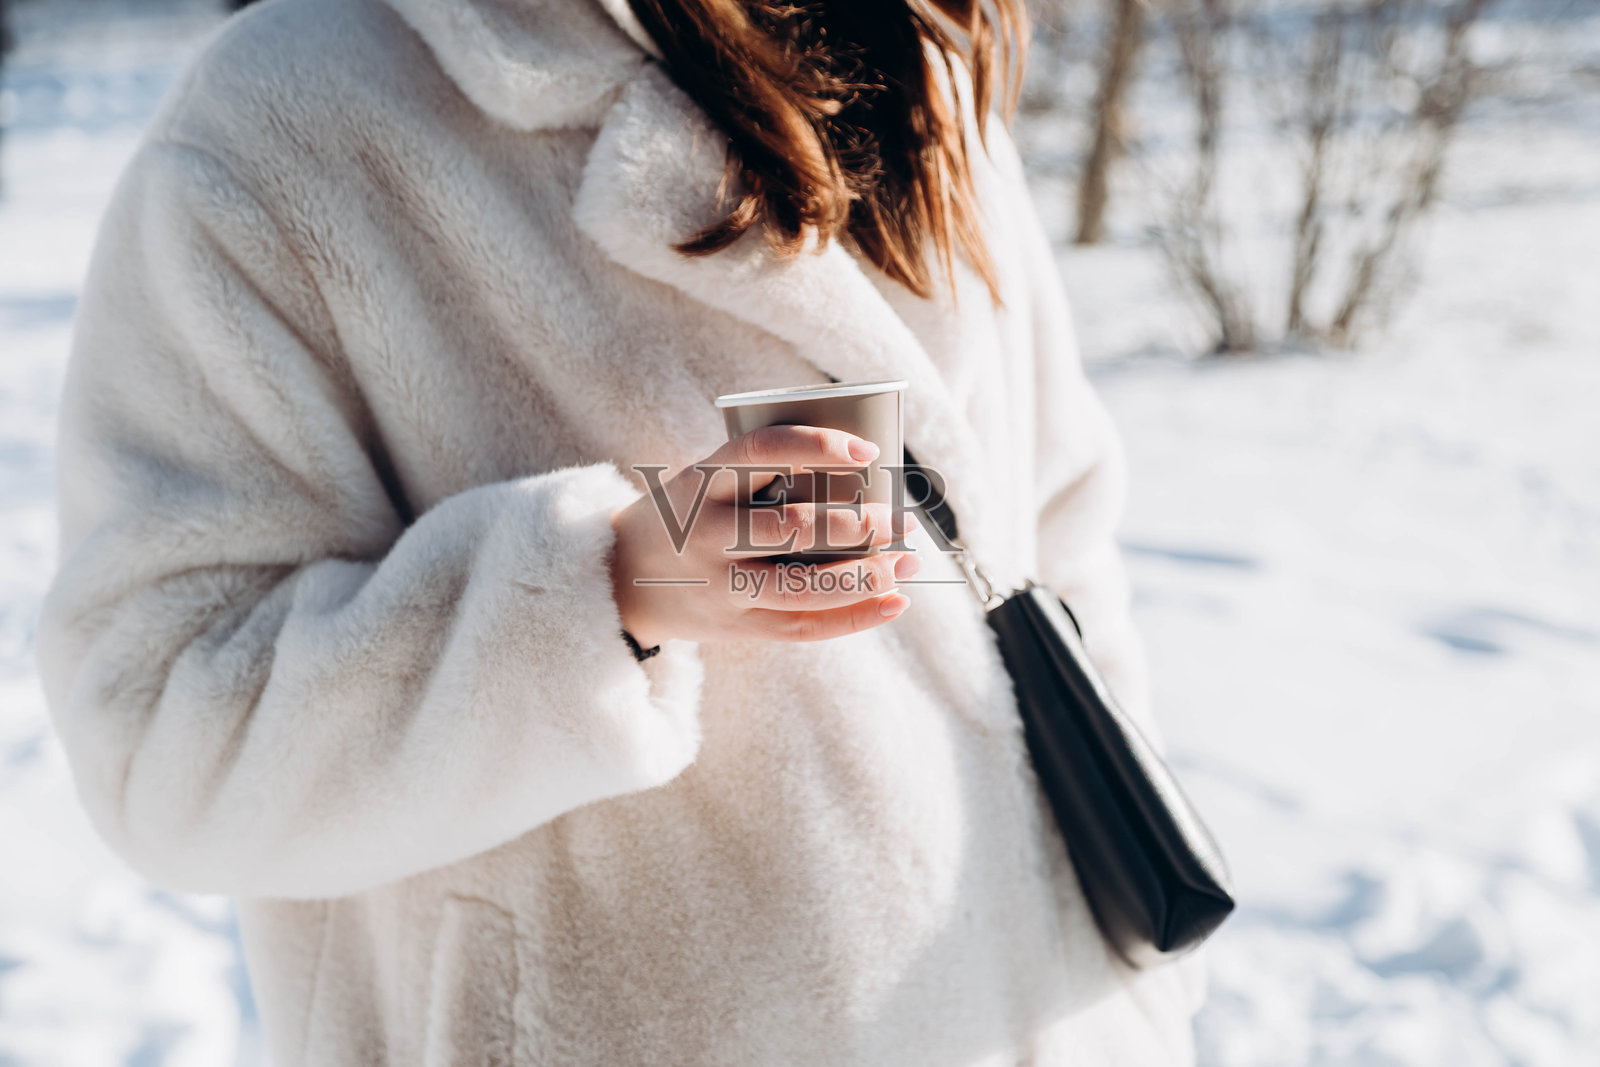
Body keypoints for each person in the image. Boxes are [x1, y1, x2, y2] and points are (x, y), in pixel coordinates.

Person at [35, 0, 1208, 1062]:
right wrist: (607, 585)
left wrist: (1141, 998)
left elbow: (1060, 545)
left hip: (1034, 1014)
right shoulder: (291, 113)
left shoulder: (923, 50)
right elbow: (157, 723)